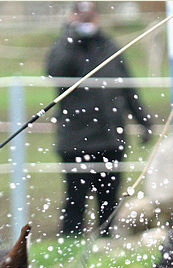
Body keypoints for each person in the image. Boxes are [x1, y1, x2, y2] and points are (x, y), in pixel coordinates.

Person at [46, 1, 152, 238]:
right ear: (72, 17)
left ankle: (106, 244)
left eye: (90, 16)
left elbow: (128, 88)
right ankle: (69, 244)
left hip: (110, 139)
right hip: (76, 140)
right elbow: (55, 72)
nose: (86, 21)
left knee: (109, 199)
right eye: (81, 16)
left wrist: (144, 121)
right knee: (75, 198)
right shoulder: (64, 47)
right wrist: (70, 38)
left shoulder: (109, 47)